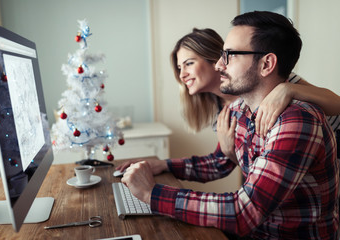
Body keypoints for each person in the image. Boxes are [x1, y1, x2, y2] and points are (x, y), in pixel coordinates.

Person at [119, 13, 339, 238]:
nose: (218, 65)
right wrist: (162, 165)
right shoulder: (237, 108)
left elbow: (242, 212)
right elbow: (218, 163)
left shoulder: (296, 117)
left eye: (229, 55)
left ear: (267, 64)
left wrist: (151, 194)